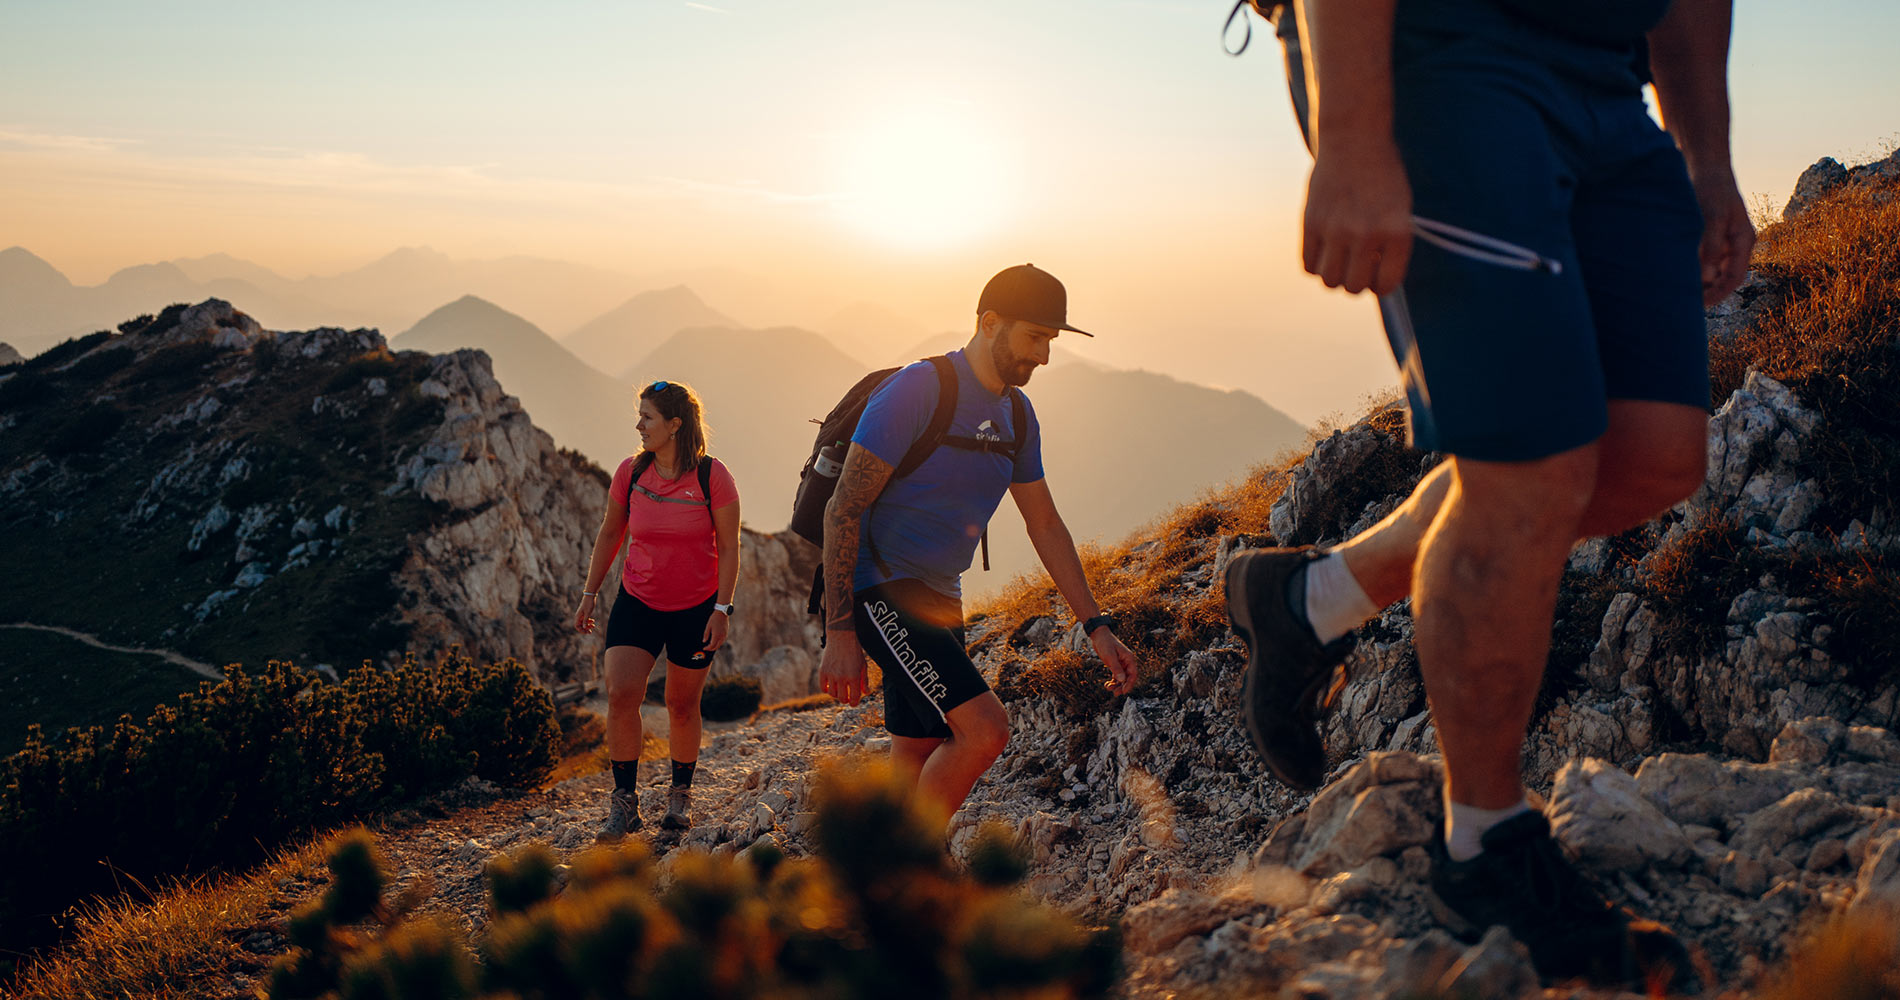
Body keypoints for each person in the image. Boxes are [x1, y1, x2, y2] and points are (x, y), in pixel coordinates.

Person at [1224, 0, 1753, 989]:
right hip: (1441, 49)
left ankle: (1309, 600)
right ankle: (1486, 844)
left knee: (1653, 451)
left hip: (1605, 75)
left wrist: (1706, 155)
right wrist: (1350, 135)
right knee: (1529, 467)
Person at [818, 264, 1140, 830]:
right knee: (985, 731)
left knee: (920, 744)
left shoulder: (1017, 413)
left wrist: (1097, 626)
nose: (1043, 356)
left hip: (942, 595)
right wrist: (839, 631)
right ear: (990, 323)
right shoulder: (921, 389)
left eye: (1051, 341)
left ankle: (884, 887)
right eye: (1034, 337)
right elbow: (843, 507)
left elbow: (1044, 523)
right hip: (880, 586)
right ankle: (909, 870)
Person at [575, 379, 741, 841]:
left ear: (674, 424)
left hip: (695, 608)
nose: (639, 425)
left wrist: (722, 609)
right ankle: (624, 802)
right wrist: (590, 593)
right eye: (640, 416)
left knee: (680, 704)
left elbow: (729, 547)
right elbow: (611, 534)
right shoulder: (631, 472)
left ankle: (679, 796)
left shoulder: (713, 477)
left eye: (647, 417)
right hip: (638, 600)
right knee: (621, 692)